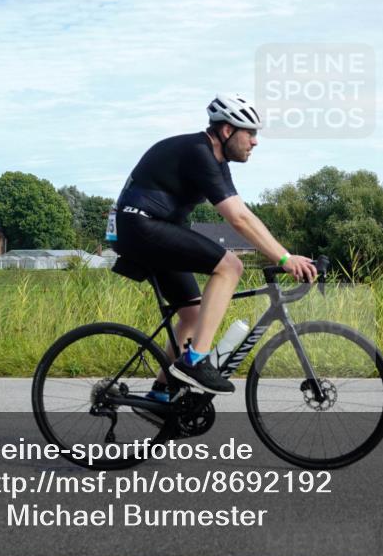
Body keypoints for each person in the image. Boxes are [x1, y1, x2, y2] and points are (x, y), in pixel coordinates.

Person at [114, 93, 317, 404]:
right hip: (140, 225)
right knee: (230, 266)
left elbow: (244, 213)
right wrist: (285, 258)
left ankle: (161, 392)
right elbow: (237, 220)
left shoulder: (217, 162)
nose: (255, 142)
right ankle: (195, 360)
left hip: (154, 227)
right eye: (251, 133)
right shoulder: (199, 152)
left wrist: (285, 254)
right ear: (227, 131)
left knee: (193, 313)